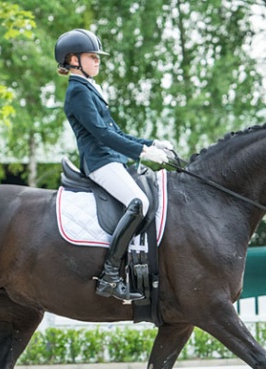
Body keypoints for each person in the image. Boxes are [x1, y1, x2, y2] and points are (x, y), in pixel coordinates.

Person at [55, 28, 174, 302]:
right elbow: (102, 135)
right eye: (92, 56)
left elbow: (117, 133)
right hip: (99, 163)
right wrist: (142, 153)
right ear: (73, 59)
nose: (97, 61)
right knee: (139, 202)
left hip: (112, 158)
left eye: (97, 57)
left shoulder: (89, 89)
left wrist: (151, 143)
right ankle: (110, 276)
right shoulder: (77, 92)